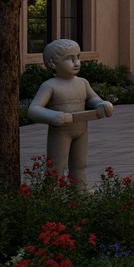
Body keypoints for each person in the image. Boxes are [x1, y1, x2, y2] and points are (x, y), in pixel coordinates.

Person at [28, 38, 114, 186]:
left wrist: (102, 105)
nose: (77, 62)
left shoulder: (82, 82)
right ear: (52, 63)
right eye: (70, 58)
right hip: (61, 131)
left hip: (81, 129)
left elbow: (93, 98)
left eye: (78, 57)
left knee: (79, 165)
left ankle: (79, 194)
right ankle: (51, 196)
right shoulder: (50, 86)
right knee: (56, 167)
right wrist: (55, 116)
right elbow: (33, 110)